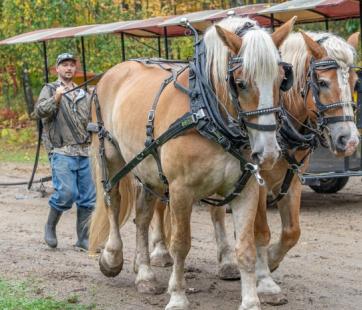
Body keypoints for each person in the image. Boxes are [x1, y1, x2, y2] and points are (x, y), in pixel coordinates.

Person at [33, 53, 96, 251]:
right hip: (61, 151)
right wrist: (56, 98)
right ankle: (50, 227)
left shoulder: (84, 94)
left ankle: (83, 239)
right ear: (57, 69)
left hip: (85, 152)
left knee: (88, 198)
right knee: (67, 193)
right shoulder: (50, 89)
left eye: (71, 65)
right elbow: (39, 112)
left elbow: (92, 121)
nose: (68, 68)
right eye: (64, 65)